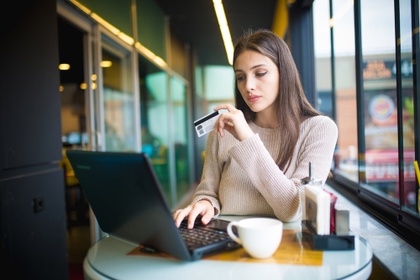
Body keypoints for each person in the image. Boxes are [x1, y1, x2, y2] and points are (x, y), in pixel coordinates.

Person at [173, 29, 338, 229]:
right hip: (227, 242)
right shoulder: (224, 129)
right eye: (240, 77)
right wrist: (204, 203)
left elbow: (292, 209)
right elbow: (208, 191)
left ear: (284, 73)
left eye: (260, 73)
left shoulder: (319, 129)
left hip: (289, 249)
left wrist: (247, 139)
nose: (248, 85)